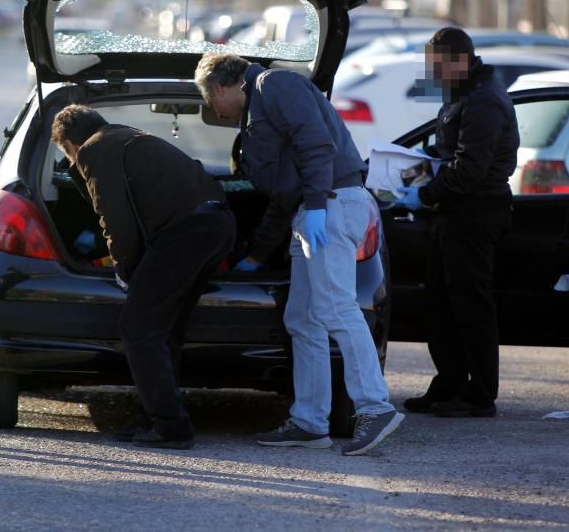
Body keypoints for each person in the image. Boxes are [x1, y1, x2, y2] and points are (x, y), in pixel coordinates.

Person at [195, 53, 404, 457]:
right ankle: (310, 421)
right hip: (312, 210)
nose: (213, 111)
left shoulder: (274, 86)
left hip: (333, 203)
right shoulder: (260, 106)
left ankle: (374, 407)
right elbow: (282, 193)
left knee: (336, 308)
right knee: (303, 317)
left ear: (220, 87)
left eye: (210, 102)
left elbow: (315, 143)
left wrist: (319, 206)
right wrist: (256, 256)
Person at [51, 105, 236, 450]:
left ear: (71, 144)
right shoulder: (128, 137)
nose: (73, 163)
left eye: (68, 156)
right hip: (218, 225)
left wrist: (126, 271)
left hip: (185, 233)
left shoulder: (94, 149)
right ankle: (154, 418)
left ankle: (171, 427)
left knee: (139, 329)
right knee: (166, 332)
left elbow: (114, 218)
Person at [395, 26, 519, 418]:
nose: (432, 74)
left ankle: (479, 395)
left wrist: (425, 194)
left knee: (470, 305)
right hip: (453, 213)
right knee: (441, 305)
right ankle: (450, 383)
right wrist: (412, 169)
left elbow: (469, 169)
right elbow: (450, 152)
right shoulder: (464, 95)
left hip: (476, 213)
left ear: (460, 61)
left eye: (437, 66)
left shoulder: (484, 101)